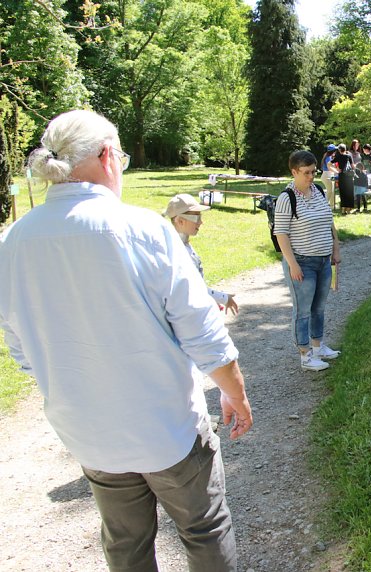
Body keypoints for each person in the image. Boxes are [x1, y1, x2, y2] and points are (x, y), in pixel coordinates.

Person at [0, 109, 252, 571]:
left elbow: (22, 348)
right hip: (167, 429)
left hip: (89, 433)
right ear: (105, 156)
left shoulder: (14, 241)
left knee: (126, 543)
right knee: (204, 529)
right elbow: (203, 333)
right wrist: (234, 393)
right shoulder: (142, 228)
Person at [273, 150, 342, 372]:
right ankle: (305, 354)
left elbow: (329, 222)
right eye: (306, 173)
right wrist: (293, 264)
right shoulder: (287, 198)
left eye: (313, 171)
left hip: (323, 260)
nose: (311, 176)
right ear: (294, 172)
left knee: (319, 307)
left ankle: (318, 345)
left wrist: (335, 248)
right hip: (302, 262)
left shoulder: (319, 191)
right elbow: (281, 233)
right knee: (302, 310)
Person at [164, 193, 239, 315]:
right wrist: (224, 298)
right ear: (180, 221)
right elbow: (193, 288)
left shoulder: (184, 244)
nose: (201, 222)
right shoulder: (178, 251)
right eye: (196, 218)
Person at [333, 143, 355, 214]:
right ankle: (348, 209)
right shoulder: (349, 156)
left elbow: (329, 164)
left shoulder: (338, 157)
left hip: (342, 176)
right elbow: (352, 166)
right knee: (349, 192)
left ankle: (343, 209)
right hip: (349, 177)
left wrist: (336, 170)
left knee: (342, 193)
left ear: (339, 150)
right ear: (345, 149)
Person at [321, 144, 337, 210]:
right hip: (327, 175)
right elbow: (329, 167)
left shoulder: (329, 157)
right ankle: (324, 206)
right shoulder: (328, 158)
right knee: (329, 191)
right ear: (332, 151)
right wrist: (337, 171)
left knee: (332, 191)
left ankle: (332, 206)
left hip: (330, 174)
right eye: (335, 150)